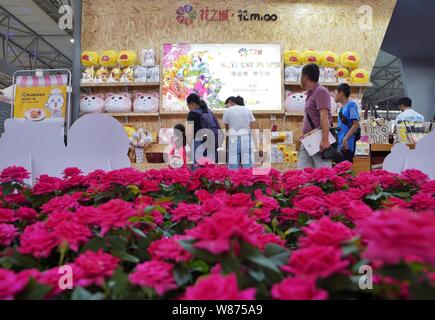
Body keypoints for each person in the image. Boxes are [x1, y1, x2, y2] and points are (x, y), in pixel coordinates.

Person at [297, 63, 333, 169]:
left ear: (306, 76)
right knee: (303, 170)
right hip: (308, 138)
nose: (300, 79)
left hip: (318, 138)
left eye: (301, 76)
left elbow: (324, 116)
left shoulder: (321, 91)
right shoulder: (311, 93)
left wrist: (325, 140)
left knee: (323, 171)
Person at [222, 96, 258, 169]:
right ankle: (248, 179)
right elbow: (253, 126)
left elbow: (227, 128)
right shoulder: (248, 110)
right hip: (246, 137)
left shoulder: (227, 111)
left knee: (233, 165)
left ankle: (233, 179)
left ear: (233, 102)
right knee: (248, 164)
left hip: (233, 138)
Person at [186, 93, 221, 165]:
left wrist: (190, 146)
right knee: (210, 168)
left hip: (199, 144)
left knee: (198, 169)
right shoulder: (209, 112)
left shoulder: (192, 114)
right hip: (213, 142)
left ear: (192, 103)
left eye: (188, 106)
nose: (189, 108)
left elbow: (189, 132)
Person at [335, 83, 360, 163]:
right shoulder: (341, 109)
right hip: (340, 145)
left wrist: (345, 139)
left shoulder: (351, 105)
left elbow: (355, 124)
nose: (334, 95)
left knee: (346, 172)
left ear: (341, 93)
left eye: (336, 93)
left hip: (347, 145)